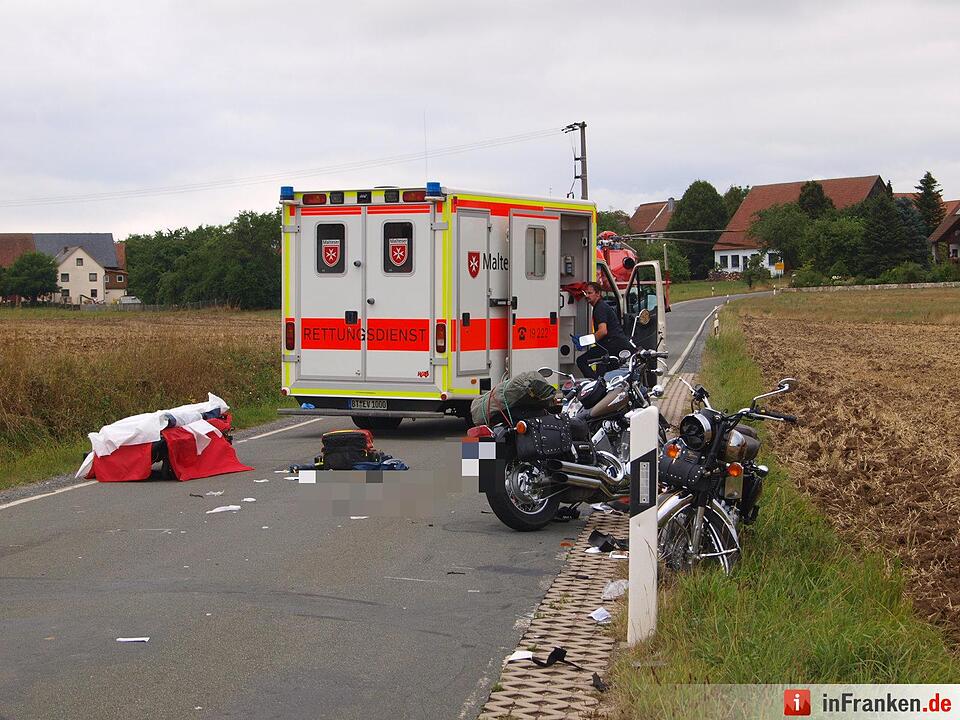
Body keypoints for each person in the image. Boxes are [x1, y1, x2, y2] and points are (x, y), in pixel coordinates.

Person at [576, 281, 634, 379]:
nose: (587, 296)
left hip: (611, 346)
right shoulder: (601, 306)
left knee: (581, 361)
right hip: (615, 346)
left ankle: (595, 384)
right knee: (606, 371)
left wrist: (584, 341)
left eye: (590, 293)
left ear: (598, 294)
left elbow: (603, 331)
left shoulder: (599, 308)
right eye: (586, 293)